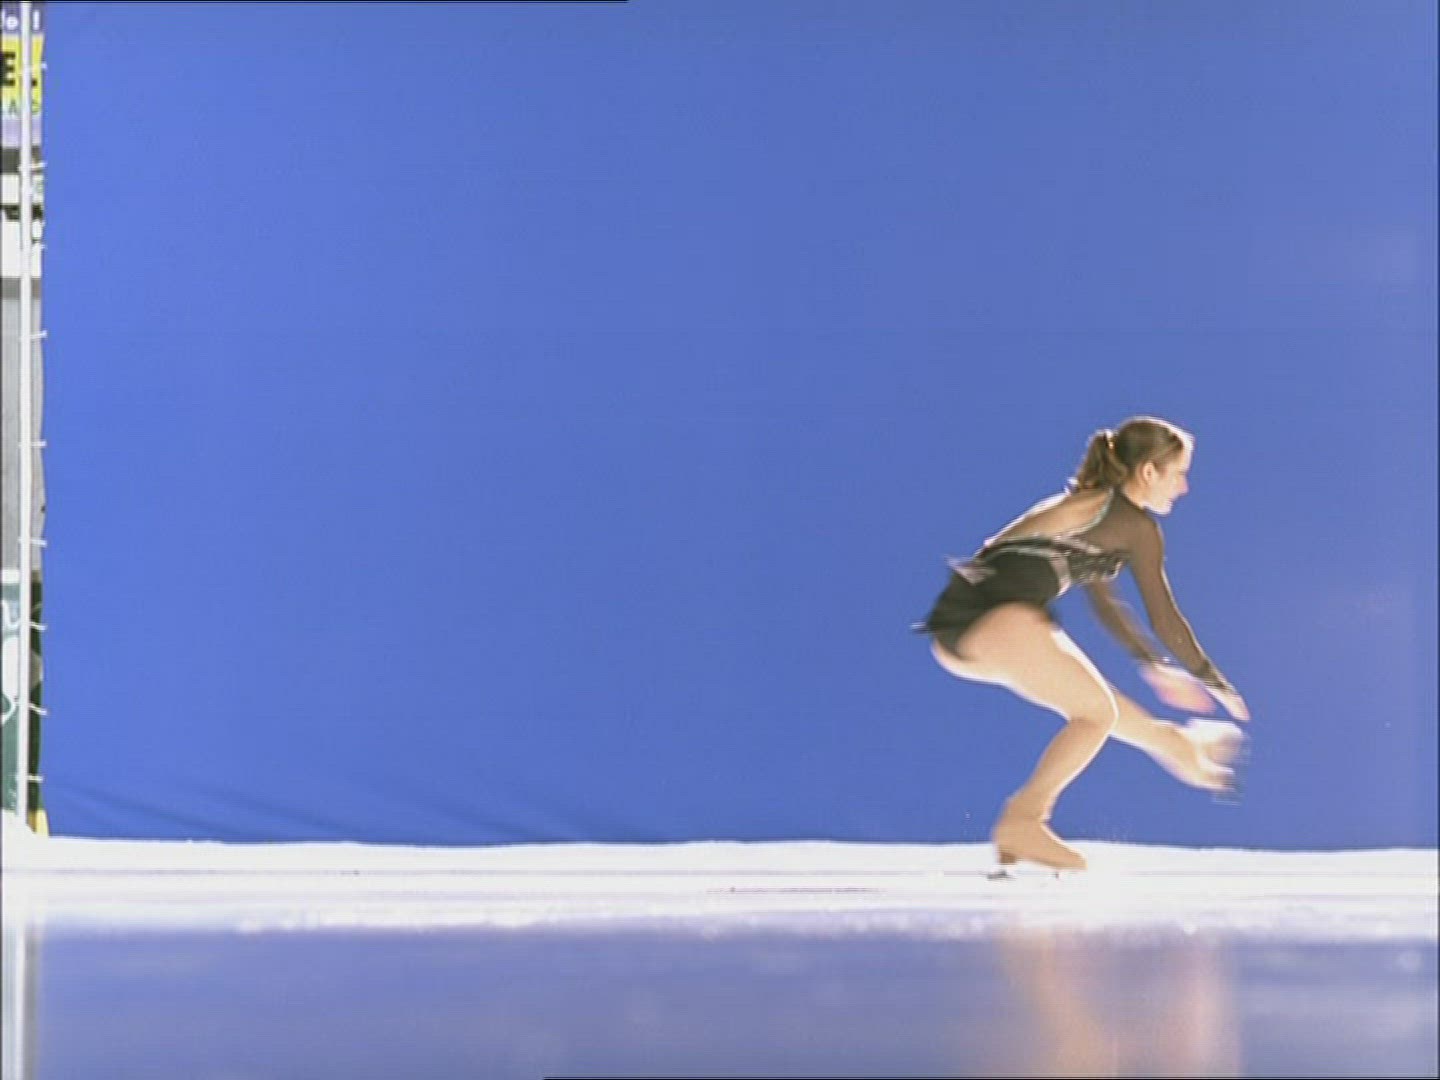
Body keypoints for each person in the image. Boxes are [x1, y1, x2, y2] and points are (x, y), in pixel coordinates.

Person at [914, 416, 1250, 873]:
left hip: (980, 622)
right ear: (1148, 471)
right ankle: (1024, 819)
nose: (1184, 487)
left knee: (1099, 703)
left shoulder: (1097, 509)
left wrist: (1152, 663)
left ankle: (1177, 746)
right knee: (1096, 712)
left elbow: (1106, 603)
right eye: (1178, 473)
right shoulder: (1131, 523)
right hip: (988, 615)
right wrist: (1214, 681)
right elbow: (1164, 616)